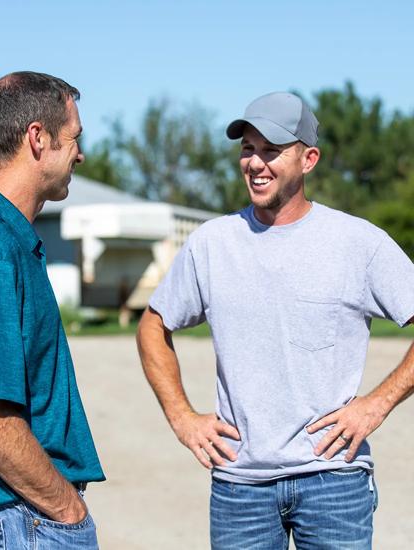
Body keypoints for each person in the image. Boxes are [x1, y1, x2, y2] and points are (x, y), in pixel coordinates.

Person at [136, 91, 414, 549]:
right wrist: (182, 417)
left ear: (309, 159)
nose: (256, 163)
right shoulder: (212, 244)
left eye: (271, 150)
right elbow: (152, 325)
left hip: (334, 483)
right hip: (240, 487)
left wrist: (376, 404)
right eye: (248, 149)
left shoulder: (358, 243)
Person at [0, 71, 105, 549]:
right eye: (73, 138)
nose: (80, 153)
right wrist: (67, 510)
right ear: (37, 137)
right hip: (16, 520)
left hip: (17, 519)